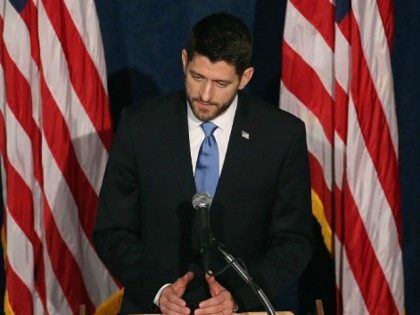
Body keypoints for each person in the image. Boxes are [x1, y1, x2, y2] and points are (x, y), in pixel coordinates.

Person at [93, 12, 313, 315]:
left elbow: (294, 240)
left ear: (245, 78)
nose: (205, 95)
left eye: (221, 83)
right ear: (185, 61)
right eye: (197, 77)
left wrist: (238, 296)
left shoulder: (280, 136)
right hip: (154, 308)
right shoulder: (140, 126)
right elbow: (112, 230)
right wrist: (158, 291)